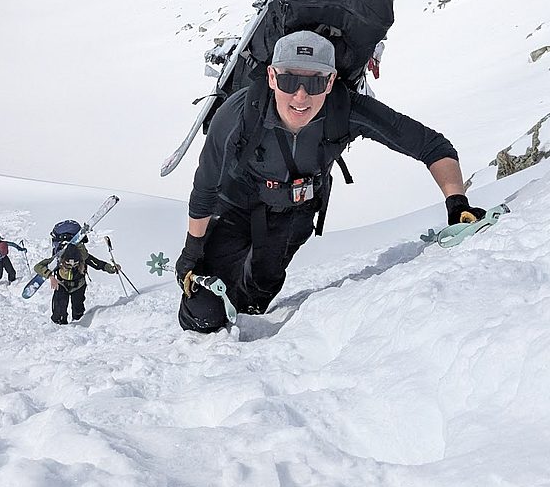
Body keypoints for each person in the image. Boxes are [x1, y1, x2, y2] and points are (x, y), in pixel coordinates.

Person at [175, 29, 485, 333]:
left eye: (314, 82)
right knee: (204, 312)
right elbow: (205, 187)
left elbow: (432, 145)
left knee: (256, 296)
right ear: (272, 77)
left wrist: (457, 204)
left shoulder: (344, 111)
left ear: (330, 81)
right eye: (289, 80)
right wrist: (192, 251)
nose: (300, 95)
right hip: (234, 209)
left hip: (294, 213)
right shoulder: (238, 114)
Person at [35, 241, 119, 324]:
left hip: (79, 285)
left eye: (75, 263)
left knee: (78, 313)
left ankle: (77, 327)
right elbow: (38, 266)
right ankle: (59, 327)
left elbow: (98, 264)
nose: (72, 265)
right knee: (58, 313)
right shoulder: (58, 259)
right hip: (61, 285)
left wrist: (111, 269)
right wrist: (50, 276)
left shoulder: (84, 257)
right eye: (68, 263)